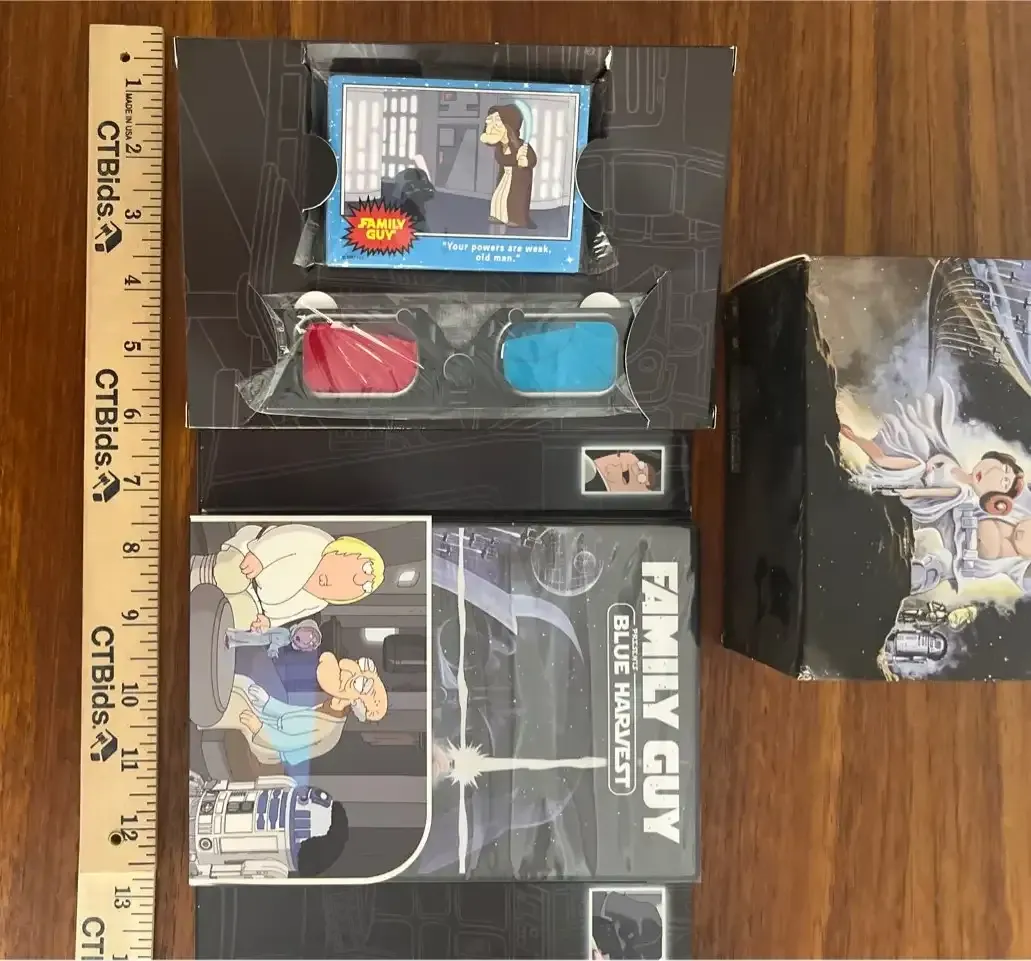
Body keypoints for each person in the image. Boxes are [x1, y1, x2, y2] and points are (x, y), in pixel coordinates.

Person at [839, 379, 1024, 526]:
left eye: (1004, 481)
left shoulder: (959, 491)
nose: (993, 473)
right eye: (1003, 468)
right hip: (920, 466)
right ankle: (855, 436)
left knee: (885, 461)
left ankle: (853, 439)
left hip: (916, 479)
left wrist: (912, 492)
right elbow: (940, 458)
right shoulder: (957, 464)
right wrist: (931, 463)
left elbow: (934, 492)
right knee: (896, 456)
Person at [201, 652, 389, 768]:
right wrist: (266, 702)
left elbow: (286, 742)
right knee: (245, 685)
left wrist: (258, 727)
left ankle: (200, 715)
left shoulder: (328, 728)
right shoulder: (330, 705)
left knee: (239, 705)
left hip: (268, 746)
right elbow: (290, 714)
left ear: (356, 702)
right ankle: (202, 689)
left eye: (357, 682)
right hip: (271, 725)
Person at [190, 523, 385, 631]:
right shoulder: (316, 541)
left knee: (242, 616)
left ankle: (194, 614)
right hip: (252, 555)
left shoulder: (320, 602)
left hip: (258, 602)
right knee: (232, 574)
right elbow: (280, 538)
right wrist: (260, 556)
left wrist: (269, 622)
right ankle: (191, 574)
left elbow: (292, 615)